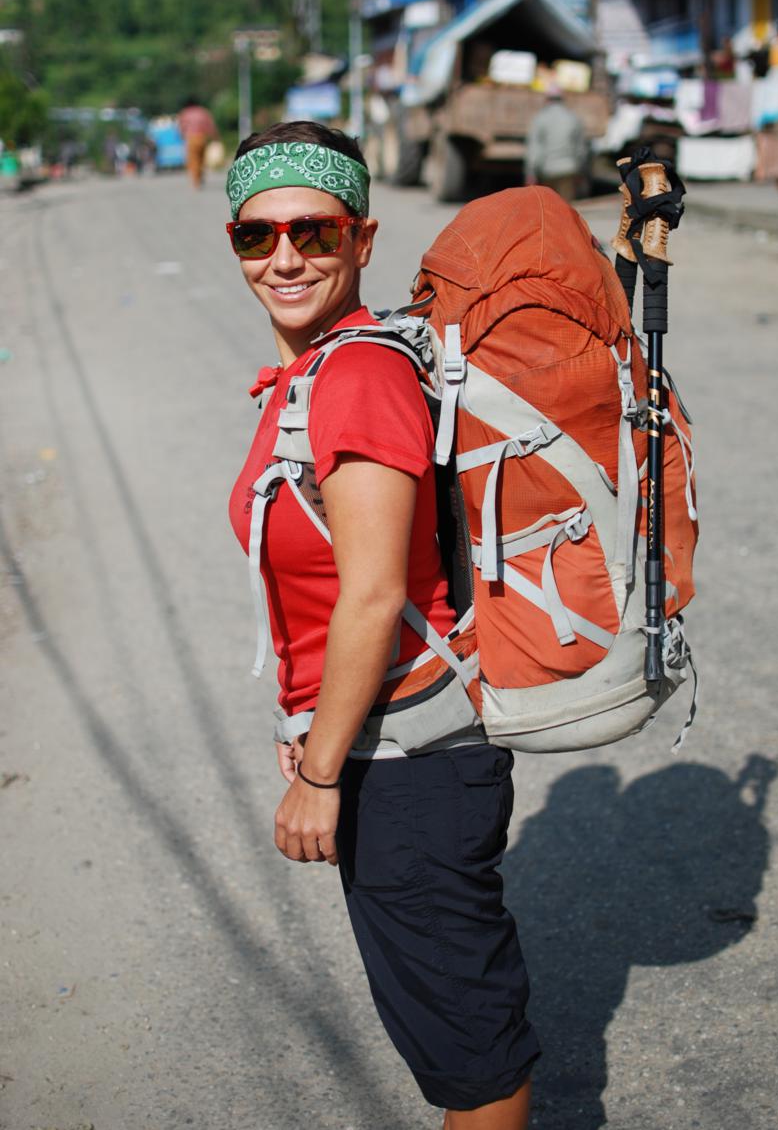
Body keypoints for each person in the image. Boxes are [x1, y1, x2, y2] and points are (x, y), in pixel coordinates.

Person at [226, 121, 539, 1127]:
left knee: (469, 1054)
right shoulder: (320, 371)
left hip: (412, 763)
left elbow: (370, 595)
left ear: (363, 239)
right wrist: (318, 732)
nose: (285, 258)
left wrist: (322, 775)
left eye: (315, 233)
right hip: (387, 745)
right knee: (451, 1021)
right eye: (257, 236)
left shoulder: (354, 377)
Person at [524, 83, 589, 203]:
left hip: (547, 170)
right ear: (562, 99)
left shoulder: (540, 118)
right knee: (566, 207)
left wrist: (531, 173)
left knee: (549, 208)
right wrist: (581, 171)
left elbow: (534, 149)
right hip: (569, 170)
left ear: (547, 99)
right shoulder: (573, 118)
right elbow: (580, 149)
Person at [177, 97, 218, 188]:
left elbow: (181, 126)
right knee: (202, 159)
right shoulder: (203, 112)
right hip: (202, 138)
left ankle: (196, 180)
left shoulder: (185, 113)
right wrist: (215, 136)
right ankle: (200, 175)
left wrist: (181, 135)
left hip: (191, 138)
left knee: (193, 160)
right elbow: (210, 125)